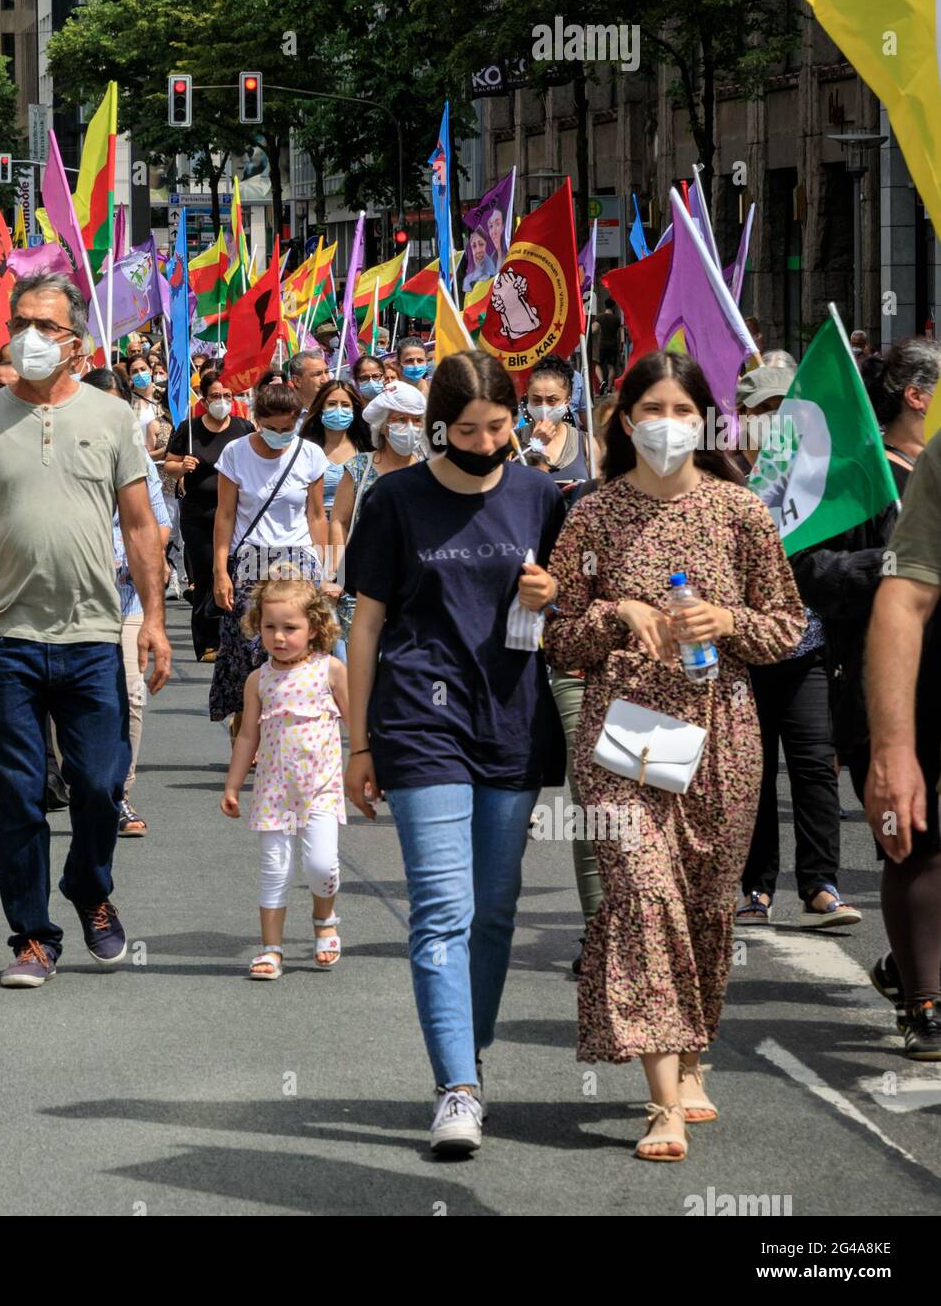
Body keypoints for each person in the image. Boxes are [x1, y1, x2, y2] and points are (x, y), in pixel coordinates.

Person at [542, 350, 804, 1161]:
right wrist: (620, 611)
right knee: (644, 895)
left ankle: (693, 1054)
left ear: (706, 420)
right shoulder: (592, 514)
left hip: (722, 733)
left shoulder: (741, 512)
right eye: (650, 409)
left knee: (704, 902)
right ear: (624, 422)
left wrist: (725, 621)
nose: (667, 424)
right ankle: (660, 1102)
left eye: (683, 410)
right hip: (624, 736)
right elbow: (558, 636)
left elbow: (785, 627)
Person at [343, 350, 567, 1155]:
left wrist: (555, 595)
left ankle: (468, 1049)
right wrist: (358, 740)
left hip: (512, 717)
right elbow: (364, 624)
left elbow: (569, 610)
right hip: (418, 719)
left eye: (498, 427)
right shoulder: (396, 498)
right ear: (438, 424)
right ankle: (457, 1088)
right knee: (443, 911)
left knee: (495, 908)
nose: (483, 441)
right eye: (467, 428)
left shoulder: (544, 496)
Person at [0, 272, 171, 988]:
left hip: (95, 633)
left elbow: (139, 525)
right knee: (17, 795)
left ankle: (89, 885)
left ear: (76, 342)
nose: (29, 336)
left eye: (46, 325)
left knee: (99, 783)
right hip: (5, 638)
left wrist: (154, 619)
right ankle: (32, 937)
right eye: (21, 322)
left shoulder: (112, 418)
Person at [809, 339, 941, 1057]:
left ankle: (910, 959)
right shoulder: (862, 479)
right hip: (884, 688)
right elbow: (812, 573)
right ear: (917, 394)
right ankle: (925, 1002)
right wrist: (898, 565)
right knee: (913, 840)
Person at [730, 364, 860, 928]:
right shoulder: (722, 481)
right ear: (743, 419)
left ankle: (821, 885)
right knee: (751, 771)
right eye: (763, 411)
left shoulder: (821, 481)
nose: (774, 422)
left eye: (786, 409)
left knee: (812, 766)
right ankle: (756, 888)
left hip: (806, 650)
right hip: (742, 651)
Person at [222, 572, 348, 979]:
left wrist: (371, 761)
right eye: (269, 627)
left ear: (314, 628)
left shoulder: (331, 670)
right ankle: (271, 949)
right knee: (275, 869)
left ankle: (324, 920)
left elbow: (358, 721)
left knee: (322, 865)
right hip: (275, 792)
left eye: (290, 628)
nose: (278, 637)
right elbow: (247, 736)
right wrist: (232, 785)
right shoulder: (258, 680)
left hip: (321, 790)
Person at [865, 420, 941, 1059]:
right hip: (928, 681)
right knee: (920, 838)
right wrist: (893, 750)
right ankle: (925, 996)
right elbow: (904, 597)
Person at [83, 366, 173, 837]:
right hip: (72, 601)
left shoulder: (136, 458)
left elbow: (158, 524)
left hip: (127, 598)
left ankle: (119, 795)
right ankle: (80, 782)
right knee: (74, 705)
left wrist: (137, 562)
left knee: (131, 698)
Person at [210, 382, 328, 735]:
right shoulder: (235, 452)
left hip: (299, 559)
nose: (280, 436)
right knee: (250, 648)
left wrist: (330, 570)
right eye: (272, 428)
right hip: (251, 559)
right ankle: (246, 723)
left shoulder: (310, 455)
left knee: (296, 646)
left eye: (287, 429)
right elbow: (225, 515)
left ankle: (286, 726)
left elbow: (318, 515)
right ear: (257, 420)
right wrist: (219, 570)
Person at [164, 370, 255, 662]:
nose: (222, 401)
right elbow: (169, 464)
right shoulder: (188, 429)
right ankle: (207, 642)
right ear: (204, 399)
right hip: (199, 515)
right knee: (205, 576)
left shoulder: (243, 428)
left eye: (227, 396)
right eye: (216, 396)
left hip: (237, 514)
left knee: (236, 574)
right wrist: (182, 467)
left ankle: (237, 637)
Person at [329, 382, 427, 647]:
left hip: (415, 592)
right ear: (383, 425)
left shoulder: (432, 472)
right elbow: (339, 520)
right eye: (400, 420)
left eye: (416, 420)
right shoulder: (360, 467)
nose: (409, 427)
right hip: (360, 591)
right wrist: (337, 575)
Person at [300, 379, 371, 522]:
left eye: (345, 405)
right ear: (320, 409)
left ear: (354, 411)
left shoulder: (367, 449)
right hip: (317, 531)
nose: (339, 409)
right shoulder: (305, 451)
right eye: (332, 404)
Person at [520, 355, 591, 498]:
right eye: (536, 400)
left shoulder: (586, 443)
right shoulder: (512, 442)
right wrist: (534, 447)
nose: (544, 407)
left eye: (552, 400)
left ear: (567, 401)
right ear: (527, 398)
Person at [591, 300, 624, 390]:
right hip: (613, 345)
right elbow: (620, 333)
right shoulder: (616, 319)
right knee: (611, 367)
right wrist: (621, 345)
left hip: (601, 345)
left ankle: (602, 381)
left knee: (598, 365)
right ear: (613, 307)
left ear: (605, 306)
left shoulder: (599, 317)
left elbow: (594, 330)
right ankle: (609, 389)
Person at [287, 350, 329, 419]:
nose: (325, 380)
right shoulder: (283, 415)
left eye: (327, 372)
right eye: (317, 374)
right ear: (297, 381)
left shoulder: (335, 411)